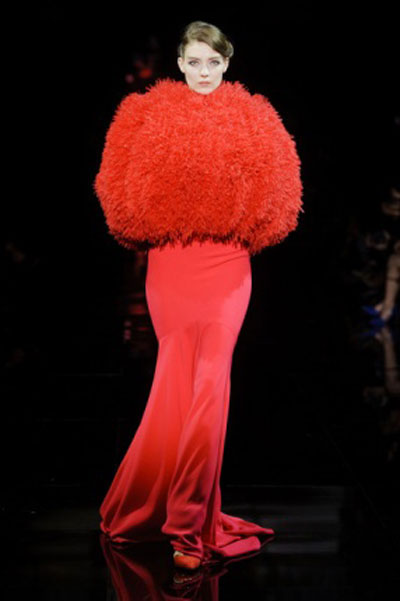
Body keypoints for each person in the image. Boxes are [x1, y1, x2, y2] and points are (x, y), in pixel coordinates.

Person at [93, 20, 304, 571]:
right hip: (171, 267)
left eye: (213, 62)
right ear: (180, 64)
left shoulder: (256, 117)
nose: (204, 72)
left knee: (211, 385)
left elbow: (283, 194)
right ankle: (149, 504)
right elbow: (115, 190)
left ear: (227, 63)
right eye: (194, 62)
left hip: (227, 267)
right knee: (173, 386)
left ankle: (186, 527)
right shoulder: (145, 115)